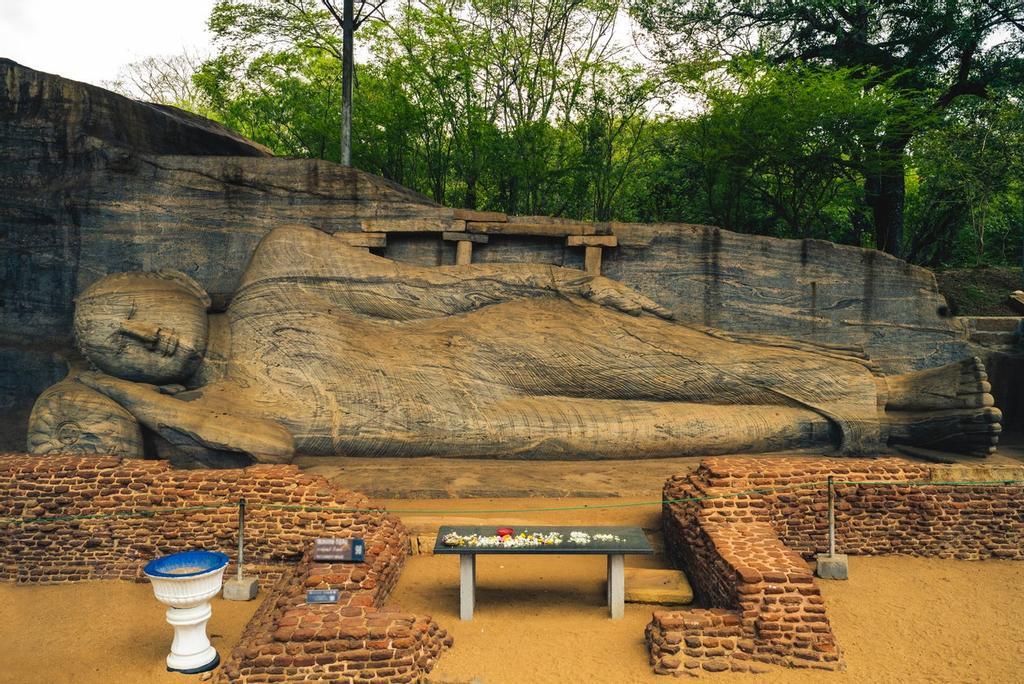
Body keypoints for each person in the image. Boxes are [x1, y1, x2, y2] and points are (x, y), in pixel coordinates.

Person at [29, 226, 1001, 465]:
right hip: (483, 420)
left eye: (129, 309)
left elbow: (435, 288)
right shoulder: (222, 415)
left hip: (497, 344)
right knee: (693, 429)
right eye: (115, 347)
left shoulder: (282, 269)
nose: (143, 335)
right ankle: (892, 427)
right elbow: (277, 452)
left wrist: (558, 278)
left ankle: (905, 383)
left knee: (707, 361)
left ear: (175, 285)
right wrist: (141, 404)